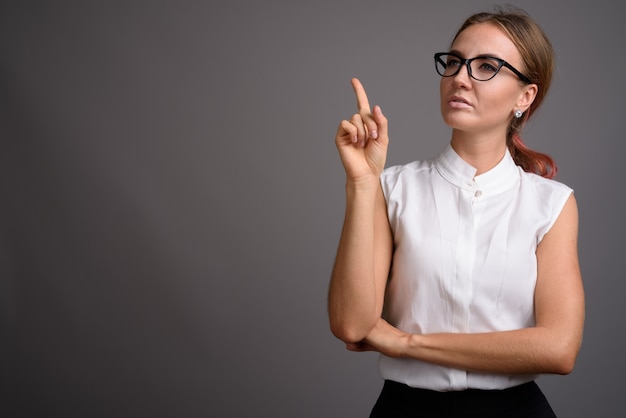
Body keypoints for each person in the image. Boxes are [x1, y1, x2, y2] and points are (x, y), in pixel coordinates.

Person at [328, 7, 584, 417]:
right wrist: (362, 182)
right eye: (454, 62)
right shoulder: (393, 188)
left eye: (487, 66)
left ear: (525, 96)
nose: (460, 78)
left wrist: (405, 342)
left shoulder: (550, 204)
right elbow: (352, 325)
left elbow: (559, 348)